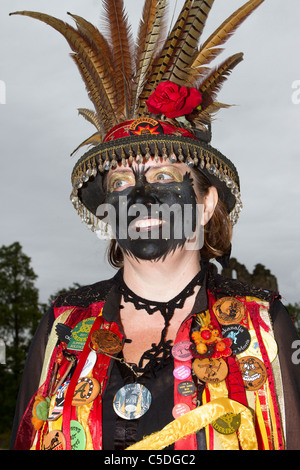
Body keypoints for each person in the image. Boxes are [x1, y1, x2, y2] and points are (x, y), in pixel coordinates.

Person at [10, 0, 300, 451]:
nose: (140, 197)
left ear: (205, 205)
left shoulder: (262, 322)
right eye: (121, 182)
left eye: (164, 177)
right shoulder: (61, 326)